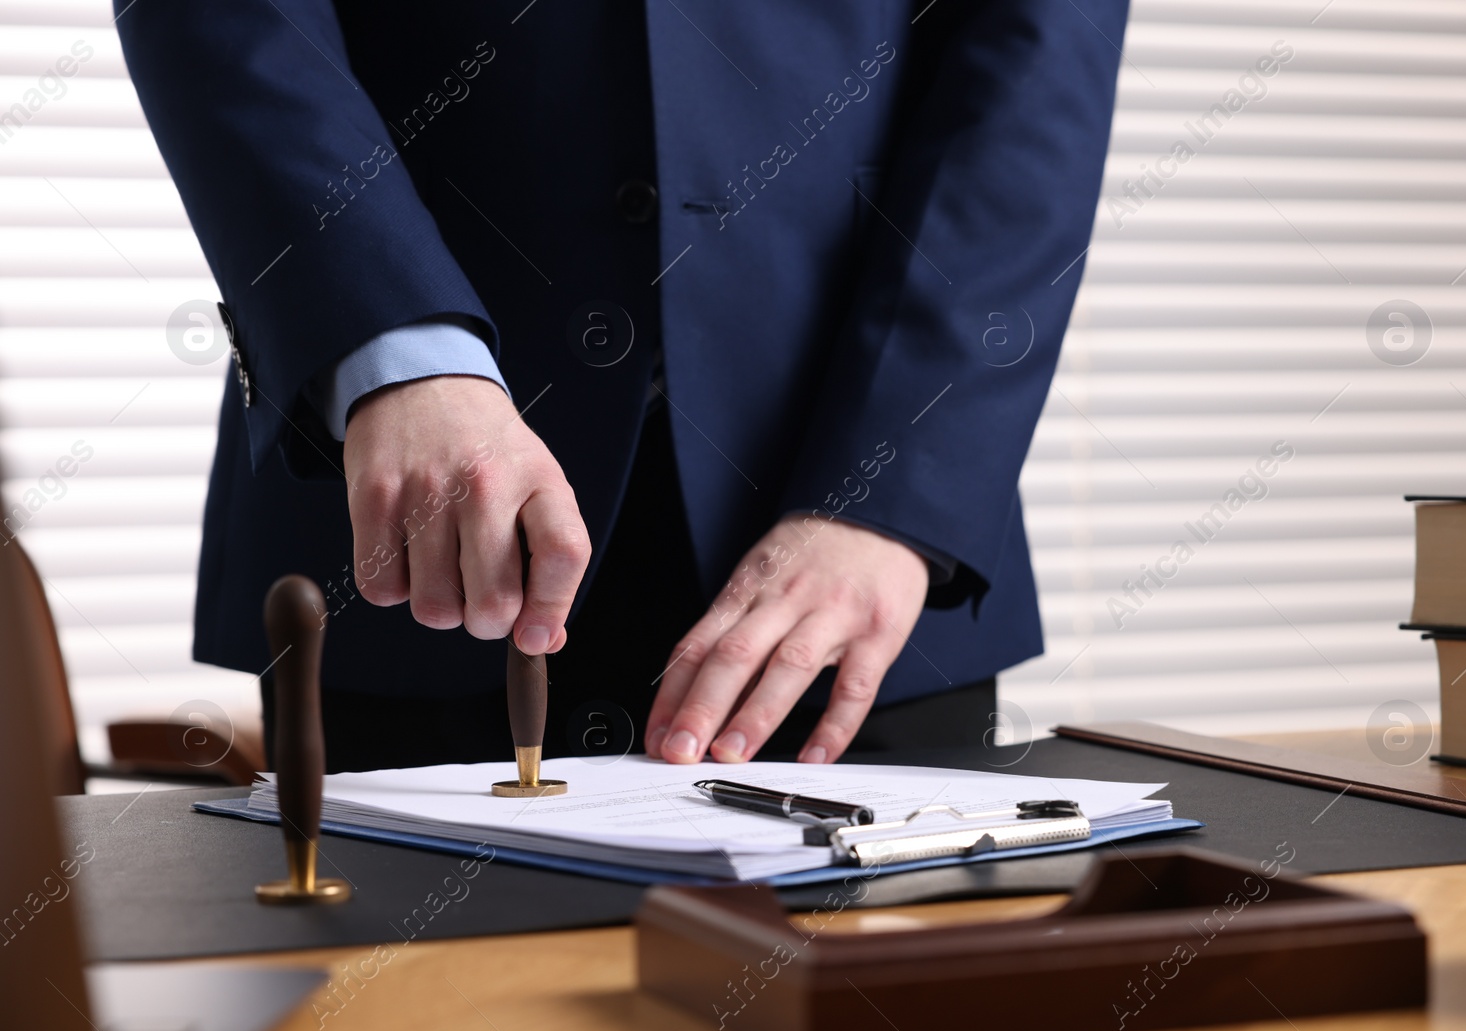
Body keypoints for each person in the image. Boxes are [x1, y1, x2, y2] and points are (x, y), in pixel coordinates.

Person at [115, 0, 1128, 772]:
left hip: (857, 570)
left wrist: (893, 484)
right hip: (410, 529)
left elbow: (1038, 53)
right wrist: (399, 346)